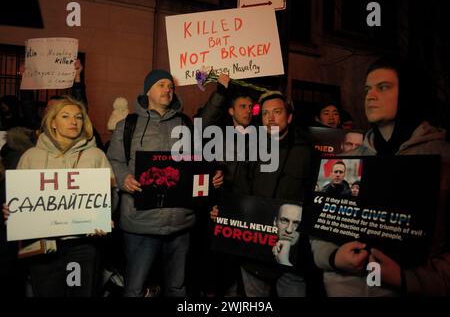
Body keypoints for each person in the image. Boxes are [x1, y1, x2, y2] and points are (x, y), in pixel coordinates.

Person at [311, 56, 450, 296]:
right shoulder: (348, 159)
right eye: (367, 89)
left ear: (409, 93)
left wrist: (407, 279)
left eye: (382, 87)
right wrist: (333, 257)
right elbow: (322, 225)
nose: (369, 96)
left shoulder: (445, 158)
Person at [107, 69, 223, 297]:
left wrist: (212, 176)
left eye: (171, 86)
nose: (168, 89)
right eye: (161, 84)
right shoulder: (128, 124)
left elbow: (198, 161)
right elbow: (114, 160)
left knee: (177, 287)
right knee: (135, 288)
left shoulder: (185, 124)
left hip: (179, 222)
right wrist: (123, 178)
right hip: (140, 223)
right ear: (147, 90)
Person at [3, 95, 114, 297]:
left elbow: (110, 197)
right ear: (53, 122)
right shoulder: (31, 157)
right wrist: (10, 209)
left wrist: (104, 218)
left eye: (78, 117)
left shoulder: (96, 156)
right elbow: (18, 198)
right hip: (42, 245)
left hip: (83, 246)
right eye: (65, 116)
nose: (73, 121)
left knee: (81, 293)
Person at [218, 91, 321, 297]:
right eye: (265, 114)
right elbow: (239, 192)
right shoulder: (250, 149)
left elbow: (316, 200)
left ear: (289, 116)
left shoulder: (308, 153)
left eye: (277, 112)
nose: (271, 118)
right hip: (254, 256)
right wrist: (225, 212)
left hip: (292, 257)